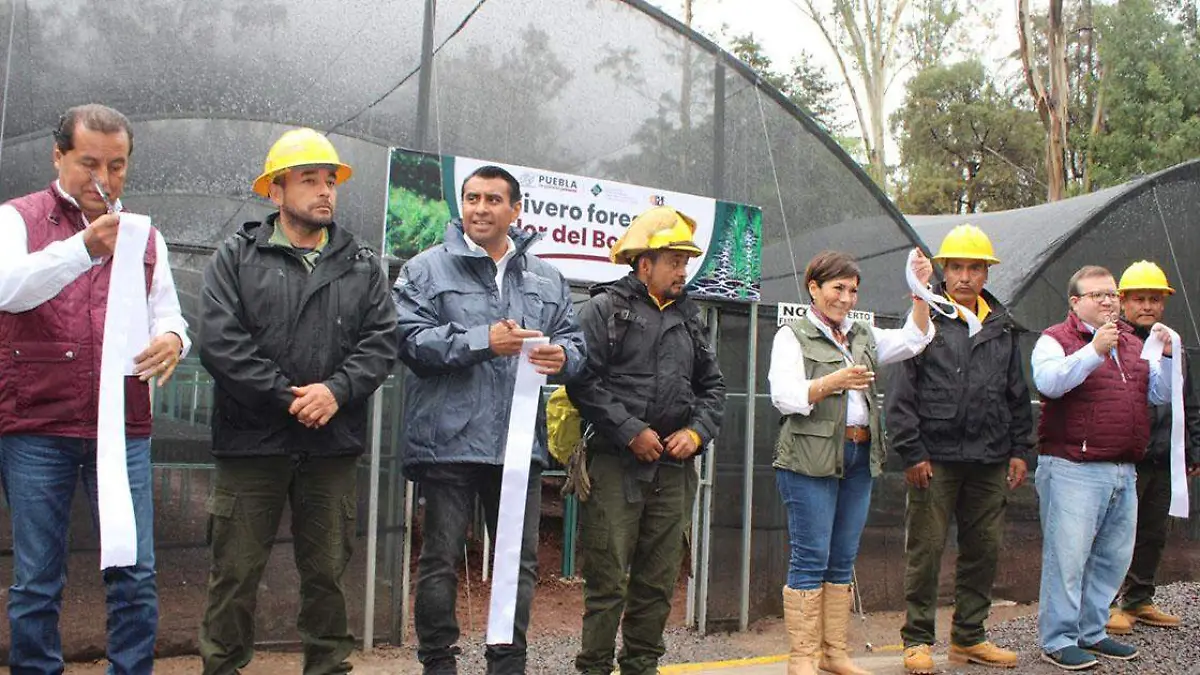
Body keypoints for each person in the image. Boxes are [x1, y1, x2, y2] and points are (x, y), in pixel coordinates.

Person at [197, 128, 398, 674]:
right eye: (308, 180)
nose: (324, 191)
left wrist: (337, 391)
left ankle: (328, 667)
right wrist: (288, 397)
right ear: (275, 191)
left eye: (330, 180)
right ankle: (222, 667)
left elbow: (382, 341)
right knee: (235, 572)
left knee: (328, 572)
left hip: (330, 445)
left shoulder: (361, 263)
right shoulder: (236, 257)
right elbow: (220, 342)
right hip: (251, 444)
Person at [0, 103, 188, 674]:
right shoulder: (16, 218)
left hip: (123, 428)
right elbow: (9, 289)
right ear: (57, 157)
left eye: (117, 166)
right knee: (37, 577)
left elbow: (169, 313)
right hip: (38, 423)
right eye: (88, 164)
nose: (103, 180)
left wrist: (174, 340)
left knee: (135, 572)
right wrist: (84, 248)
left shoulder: (144, 235)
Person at [394, 165, 586, 675]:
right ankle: (438, 663)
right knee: (440, 560)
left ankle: (507, 664)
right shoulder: (425, 269)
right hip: (449, 443)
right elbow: (410, 342)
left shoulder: (547, 278)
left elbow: (576, 343)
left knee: (517, 564)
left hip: (518, 447)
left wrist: (564, 358)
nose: (480, 208)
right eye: (472, 198)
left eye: (493, 199)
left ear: (515, 210)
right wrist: (485, 341)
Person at [566, 206, 726, 675]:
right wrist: (629, 430)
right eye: (674, 260)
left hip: (673, 471)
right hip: (616, 465)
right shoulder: (602, 310)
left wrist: (696, 433)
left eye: (685, 261)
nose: (683, 270)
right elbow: (582, 381)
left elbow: (713, 389)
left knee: (657, 580)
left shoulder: (691, 320)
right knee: (607, 578)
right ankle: (593, 666)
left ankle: (641, 666)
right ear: (644, 265)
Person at [770, 249, 933, 675]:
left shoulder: (863, 335)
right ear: (814, 288)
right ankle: (802, 659)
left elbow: (915, 339)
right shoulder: (792, 335)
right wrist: (833, 381)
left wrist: (919, 289)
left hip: (859, 456)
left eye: (852, 291)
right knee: (810, 558)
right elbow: (784, 396)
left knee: (842, 558)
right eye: (837, 288)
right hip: (809, 459)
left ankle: (834, 654)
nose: (846, 298)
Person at [886, 225, 1031, 673]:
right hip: (935, 458)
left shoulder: (1003, 327)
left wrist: (1021, 450)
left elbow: (1016, 394)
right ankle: (917, 640)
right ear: (944, 271)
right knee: (926, 550)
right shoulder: (926, 317)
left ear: (987, 273)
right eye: (956, 267)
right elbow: (901, 394)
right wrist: (911, 452)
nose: (965, 277)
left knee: (983, 549)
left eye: (974, 268)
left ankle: (970, 637)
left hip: (989, 458)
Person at [1031, 265, 1174, 671]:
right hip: (1072, 466)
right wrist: (1093, 350)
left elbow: (1157, 394)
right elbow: (1050, 382)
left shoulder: (1131, 342)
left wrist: (1164, 357)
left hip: (1123, 467)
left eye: (1112, 294)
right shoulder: (1054, 339)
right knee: (1068, 558)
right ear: (1076, 303)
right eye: (1099, 295)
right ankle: (1057, 639)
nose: (1109, 301)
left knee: (1112, 557)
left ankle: (1091, 630)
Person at [1106, 261, 1200, 635]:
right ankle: (1107, 602)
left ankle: (1140, 598)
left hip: (1165, 456)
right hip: (1127, 457)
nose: (1147, 306)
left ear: (1164, 303)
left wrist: (1193, 449)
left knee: (1153, 531)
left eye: (1155, 299)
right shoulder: (1114, 343)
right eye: (1139, 298)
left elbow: (1188, 402)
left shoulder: (1174, 345)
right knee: (1116, 533)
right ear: (1123, 302)